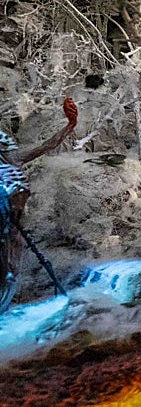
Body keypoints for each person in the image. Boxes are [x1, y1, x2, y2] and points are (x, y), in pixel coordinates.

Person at [1, 98, 78, 313]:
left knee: (11, 261)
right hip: (10, 223)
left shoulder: (13, 158)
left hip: (12, 224)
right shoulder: (12, 159)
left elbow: (47, 145)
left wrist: (70, 125)